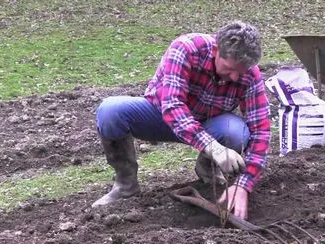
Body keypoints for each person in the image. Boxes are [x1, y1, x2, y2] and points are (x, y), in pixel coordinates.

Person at [93, 20, 271, 220]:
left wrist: (243, 184)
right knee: (110, 111)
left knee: (237, 132)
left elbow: (261, 129)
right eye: (230, 69)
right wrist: (215, 149)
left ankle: (207, 170)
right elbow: (173, 106)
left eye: (241, 72)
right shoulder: (186, 49)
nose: (236, 77)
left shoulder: (250, 75)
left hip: (208, 124)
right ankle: (126, 186)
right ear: (216, 50)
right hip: (159, 115)